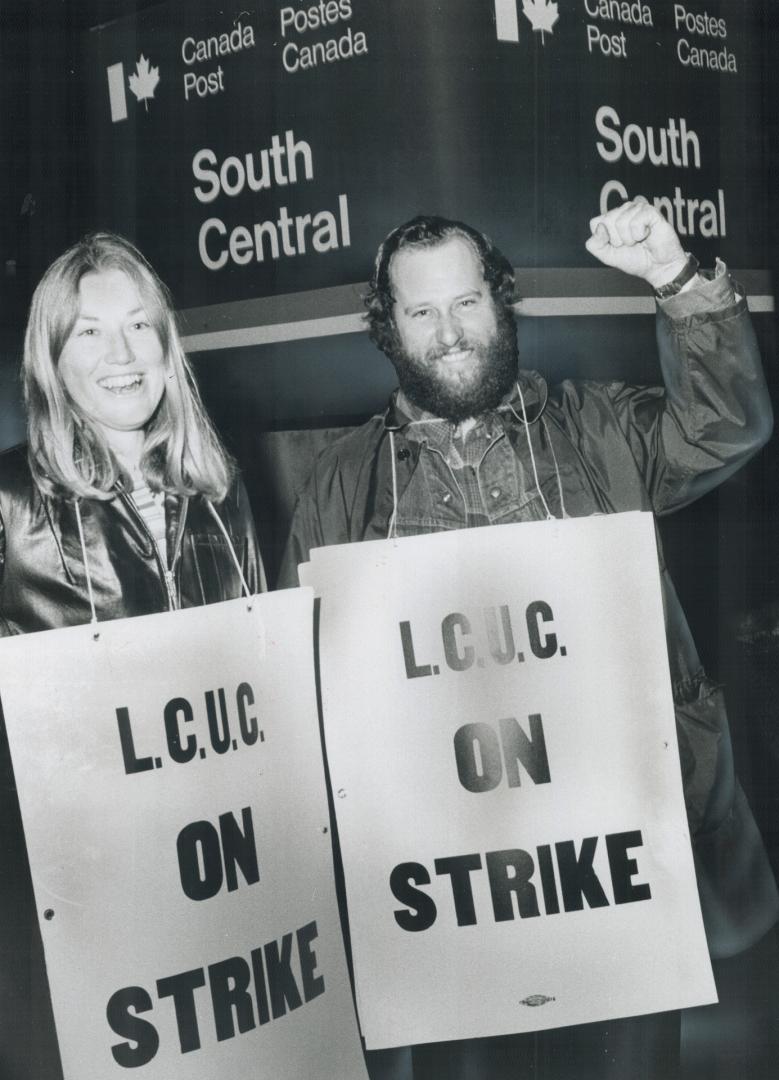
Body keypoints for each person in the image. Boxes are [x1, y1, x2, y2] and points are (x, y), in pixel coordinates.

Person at [280, 199, 779, 1079]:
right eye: (421, 310)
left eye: (466, 302)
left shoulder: (598, 428)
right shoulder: (341, 482)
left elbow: (725, 426)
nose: (449, 332)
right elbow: (304, 679)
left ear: (500, 302)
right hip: (444, 889)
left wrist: (674, 277)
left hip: (619, 858)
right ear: (387, 326)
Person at [0, 232, 264, 1080]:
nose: (121, 354)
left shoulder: (219, 488)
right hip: (74, 887)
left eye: (140, 327)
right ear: (52, 359)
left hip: (213, 864)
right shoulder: (8, 499)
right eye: (88, 332)